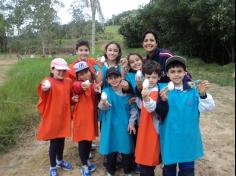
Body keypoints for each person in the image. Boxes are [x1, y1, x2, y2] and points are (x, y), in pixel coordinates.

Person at [159, 56, 215, 176]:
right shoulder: (163, 90)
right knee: (169, 169)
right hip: (170, 138)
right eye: (172, 72)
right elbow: (156, 111)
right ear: (167, 74)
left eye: (179, 71)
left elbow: (208, 107)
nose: (176, 75)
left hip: (188, 138)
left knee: (187, 170)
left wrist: (203, 94)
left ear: (185, 72)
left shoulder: (193, 89)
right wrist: (162, 102)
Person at [98, 67, 138, 176]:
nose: (113, 80)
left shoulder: (128, 93)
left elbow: (133, 110)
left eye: (116, 77)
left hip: (124, 125)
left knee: (126, 148)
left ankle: (128, 170)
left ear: (121, 78)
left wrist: (131, 123)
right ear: (107, 80)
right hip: (110, 125)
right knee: (111, 148)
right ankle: (110, 170)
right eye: (110, 78)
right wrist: (104, 104)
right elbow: (102, 107)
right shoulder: (106, 92)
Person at [37, 58, 73, 176]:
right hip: (53, 118)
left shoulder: (68, 81)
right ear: (52, 70)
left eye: (64, 70)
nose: (62, 72)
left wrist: (72, 100)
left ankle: (60, 160)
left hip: (64, 116)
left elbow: (68, 97)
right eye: (59, 70)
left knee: (61, 140)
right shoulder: (48, 81)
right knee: (54, 142)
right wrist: (44, 88)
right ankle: (53, 166)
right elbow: (44, 90)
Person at [72, 61, 101, 176]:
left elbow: (95, 91)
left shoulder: (93, 84)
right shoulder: (76, 84)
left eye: (86, 72)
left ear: (90, 71)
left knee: (89, 139)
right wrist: (83, 85)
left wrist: (97, 91)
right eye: (81, 74)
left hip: (91, 118)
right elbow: (78, 87)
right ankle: (84, 165)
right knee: (83, 141)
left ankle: (86, 160)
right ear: (77, 76)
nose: (84, 75)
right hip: (82, 119)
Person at [135, 60, 162, 176]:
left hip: (152, 131)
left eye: (154, 77)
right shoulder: (148, 90)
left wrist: (145, 98)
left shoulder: (157, 92)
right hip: (145, 129)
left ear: (159, 78)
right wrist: (137, 100)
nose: (151, 80)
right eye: (148, 77)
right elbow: (144, 107)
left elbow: (151, 108)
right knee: (144, 161)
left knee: (148, 162)